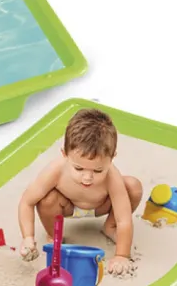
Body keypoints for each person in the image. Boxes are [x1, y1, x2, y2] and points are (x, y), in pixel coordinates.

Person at [17, 108, 143, 275]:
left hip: (100, 205)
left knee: (133, 186)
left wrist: (122, 255)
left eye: (98, 170)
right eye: (78, 168)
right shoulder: (56, 170)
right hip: (68, 206)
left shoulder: (112, 176)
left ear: (112, 158)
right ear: (65, 154)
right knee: (47, 199)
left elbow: (124, 219)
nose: (87, 178)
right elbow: (27, 202)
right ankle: (54, 236)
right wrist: (27, 237)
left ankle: (109, 227)